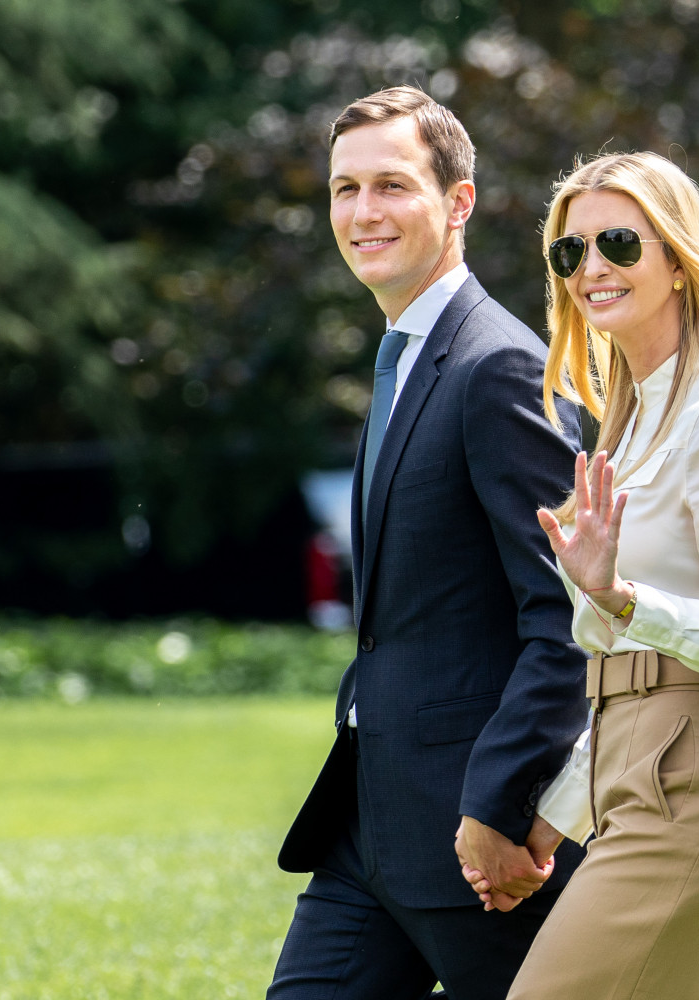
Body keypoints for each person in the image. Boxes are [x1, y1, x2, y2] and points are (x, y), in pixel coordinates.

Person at [461, 151, 699, 999]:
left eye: (618, 242)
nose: (592, 269)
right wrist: (554, 819)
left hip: (697, 797)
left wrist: (622, 597)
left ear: (680, 261)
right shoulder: (623, 425)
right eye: (568, 253)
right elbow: (626, 684)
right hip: (645, 779)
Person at [267, 87, 588, 1000]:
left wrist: (498, 801)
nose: (363, 213)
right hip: (366, 827)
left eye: (392, 186)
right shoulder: (406, 354)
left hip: (472, 839)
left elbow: (568, 615)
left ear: (459, 203)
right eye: (344, 189)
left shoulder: (500, 367)